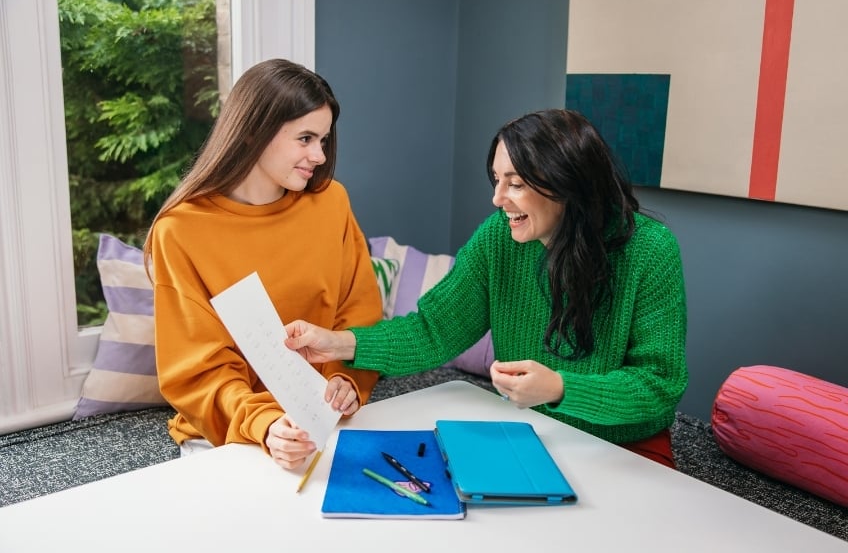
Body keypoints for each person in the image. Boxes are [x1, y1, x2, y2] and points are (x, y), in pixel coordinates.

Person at [285, 109, 688, 468]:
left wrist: (561, 388)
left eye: (514, 184)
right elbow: (434, 330)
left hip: (624, 446)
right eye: (497, 180)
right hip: (533, 430)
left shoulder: (650, 251)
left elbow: (659, 386)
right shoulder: (500, 238)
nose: (497, 199)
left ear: (567, 185)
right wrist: (338, 343)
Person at [142, 58, 383, 470]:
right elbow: (196, 368)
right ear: (254, 130)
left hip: (325, 416)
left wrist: (346, 379)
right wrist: (266, 425)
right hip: (232, 432)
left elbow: (358, 310)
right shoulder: (181, 230)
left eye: (323, 140)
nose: (319, 156)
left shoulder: (330, 203)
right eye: (305, 138)